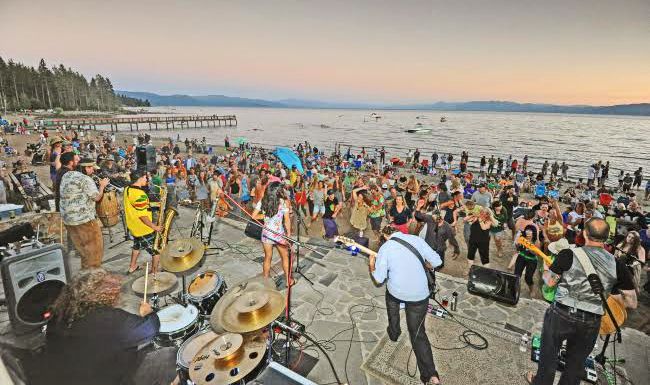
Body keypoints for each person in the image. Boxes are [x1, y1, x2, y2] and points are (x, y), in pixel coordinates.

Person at [526, 218, 637, 385]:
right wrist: (608, 295)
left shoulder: (568, 253)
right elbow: (632, 302)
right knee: (575, 364)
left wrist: (547, 270)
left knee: (549, 354)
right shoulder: (617, 264)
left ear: (584, 233)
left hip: (561, 314)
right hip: (591, 321)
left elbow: (549, 282)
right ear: (607, 238)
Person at [31, 270, 177, 385]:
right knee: (170, 354)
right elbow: (150, 329)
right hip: (106, 379)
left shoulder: (59, 314)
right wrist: (149, 313)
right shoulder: (111, 320)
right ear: (105, 295)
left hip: (63, 377)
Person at [369, 226, 442, 385]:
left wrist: (372, 264)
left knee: (391, 302)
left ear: (386, 236)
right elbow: (437, 261)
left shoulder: (386, 247)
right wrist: (425, 265)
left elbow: (379, 279)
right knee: (418, 333)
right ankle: (431, 375)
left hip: (397, 293)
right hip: (420, 295)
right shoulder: (416, 240)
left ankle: (394, 333)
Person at [59, 157, 109, 269]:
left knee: (83, 251)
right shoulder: (86, 179)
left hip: (69, 221)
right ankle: (93, 278)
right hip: (84, 221)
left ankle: (85, 273)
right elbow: (96, 198)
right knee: (95, 251)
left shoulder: (66, 175)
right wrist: (102, 186)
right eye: (91, 168)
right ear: (85, 167)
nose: (93, 171)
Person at [251, 181, 294, 287]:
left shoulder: (263, 200)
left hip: (266, 233)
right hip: (278, 234)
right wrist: (288, 234)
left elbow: (254, 216)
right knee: (285, 257)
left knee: (267, 257)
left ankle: (266, 282)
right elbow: (287, 220)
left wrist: (266, 218)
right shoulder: (284, 202)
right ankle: (288, 281)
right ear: (278, 191)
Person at [124, 170, 162, 274]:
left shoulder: (127, 189)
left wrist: (153, 205)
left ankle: (132, 266)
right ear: (140, 178)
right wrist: (155, 227)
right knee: (156, 251)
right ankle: (154, 273)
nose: (147, 180)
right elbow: (142, 216)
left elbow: (136, 207)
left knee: (137, 246)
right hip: (144, 228)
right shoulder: (139, 194)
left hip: (134, 226)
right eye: (145, 178)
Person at [414, 203, 460, 268]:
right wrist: (418, 208)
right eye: (433, 217)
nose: (434, 219)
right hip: (429, 246)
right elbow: (418, 216)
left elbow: (452, 239)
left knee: (439, 265)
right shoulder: (429, 218)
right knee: (426, 263)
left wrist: (456, 249)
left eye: (435, 217)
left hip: (439, 249)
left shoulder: (447, 226)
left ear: (440, 216)